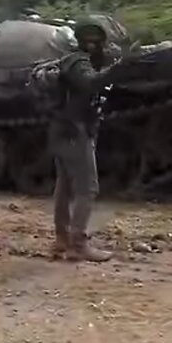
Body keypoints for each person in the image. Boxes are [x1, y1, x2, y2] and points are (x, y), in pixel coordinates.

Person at [49, 16, 119, 263]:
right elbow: (90, 83)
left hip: (64, 129)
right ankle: (77, 244)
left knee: (65, 185)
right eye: (95, 40)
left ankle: (62, 239)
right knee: (87, 187)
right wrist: (121, 68)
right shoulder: (78, 62)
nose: (98, 45)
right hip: (72, 130)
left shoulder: (72, 59)